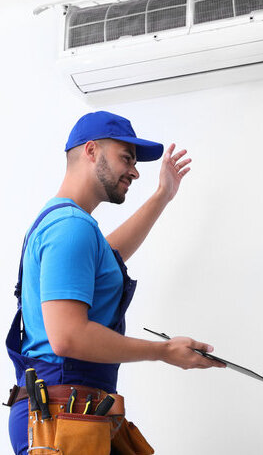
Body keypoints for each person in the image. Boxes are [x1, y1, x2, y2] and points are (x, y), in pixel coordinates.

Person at [6, 111, 225, 454]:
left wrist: (163, 195)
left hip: (70, 414)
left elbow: (110, 259)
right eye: (127, 158)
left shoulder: (67, 224)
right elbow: (68, 337)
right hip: (64, 419)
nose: (135, 171)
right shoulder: (70, 228)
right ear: (91, 151)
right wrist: (164, 351)